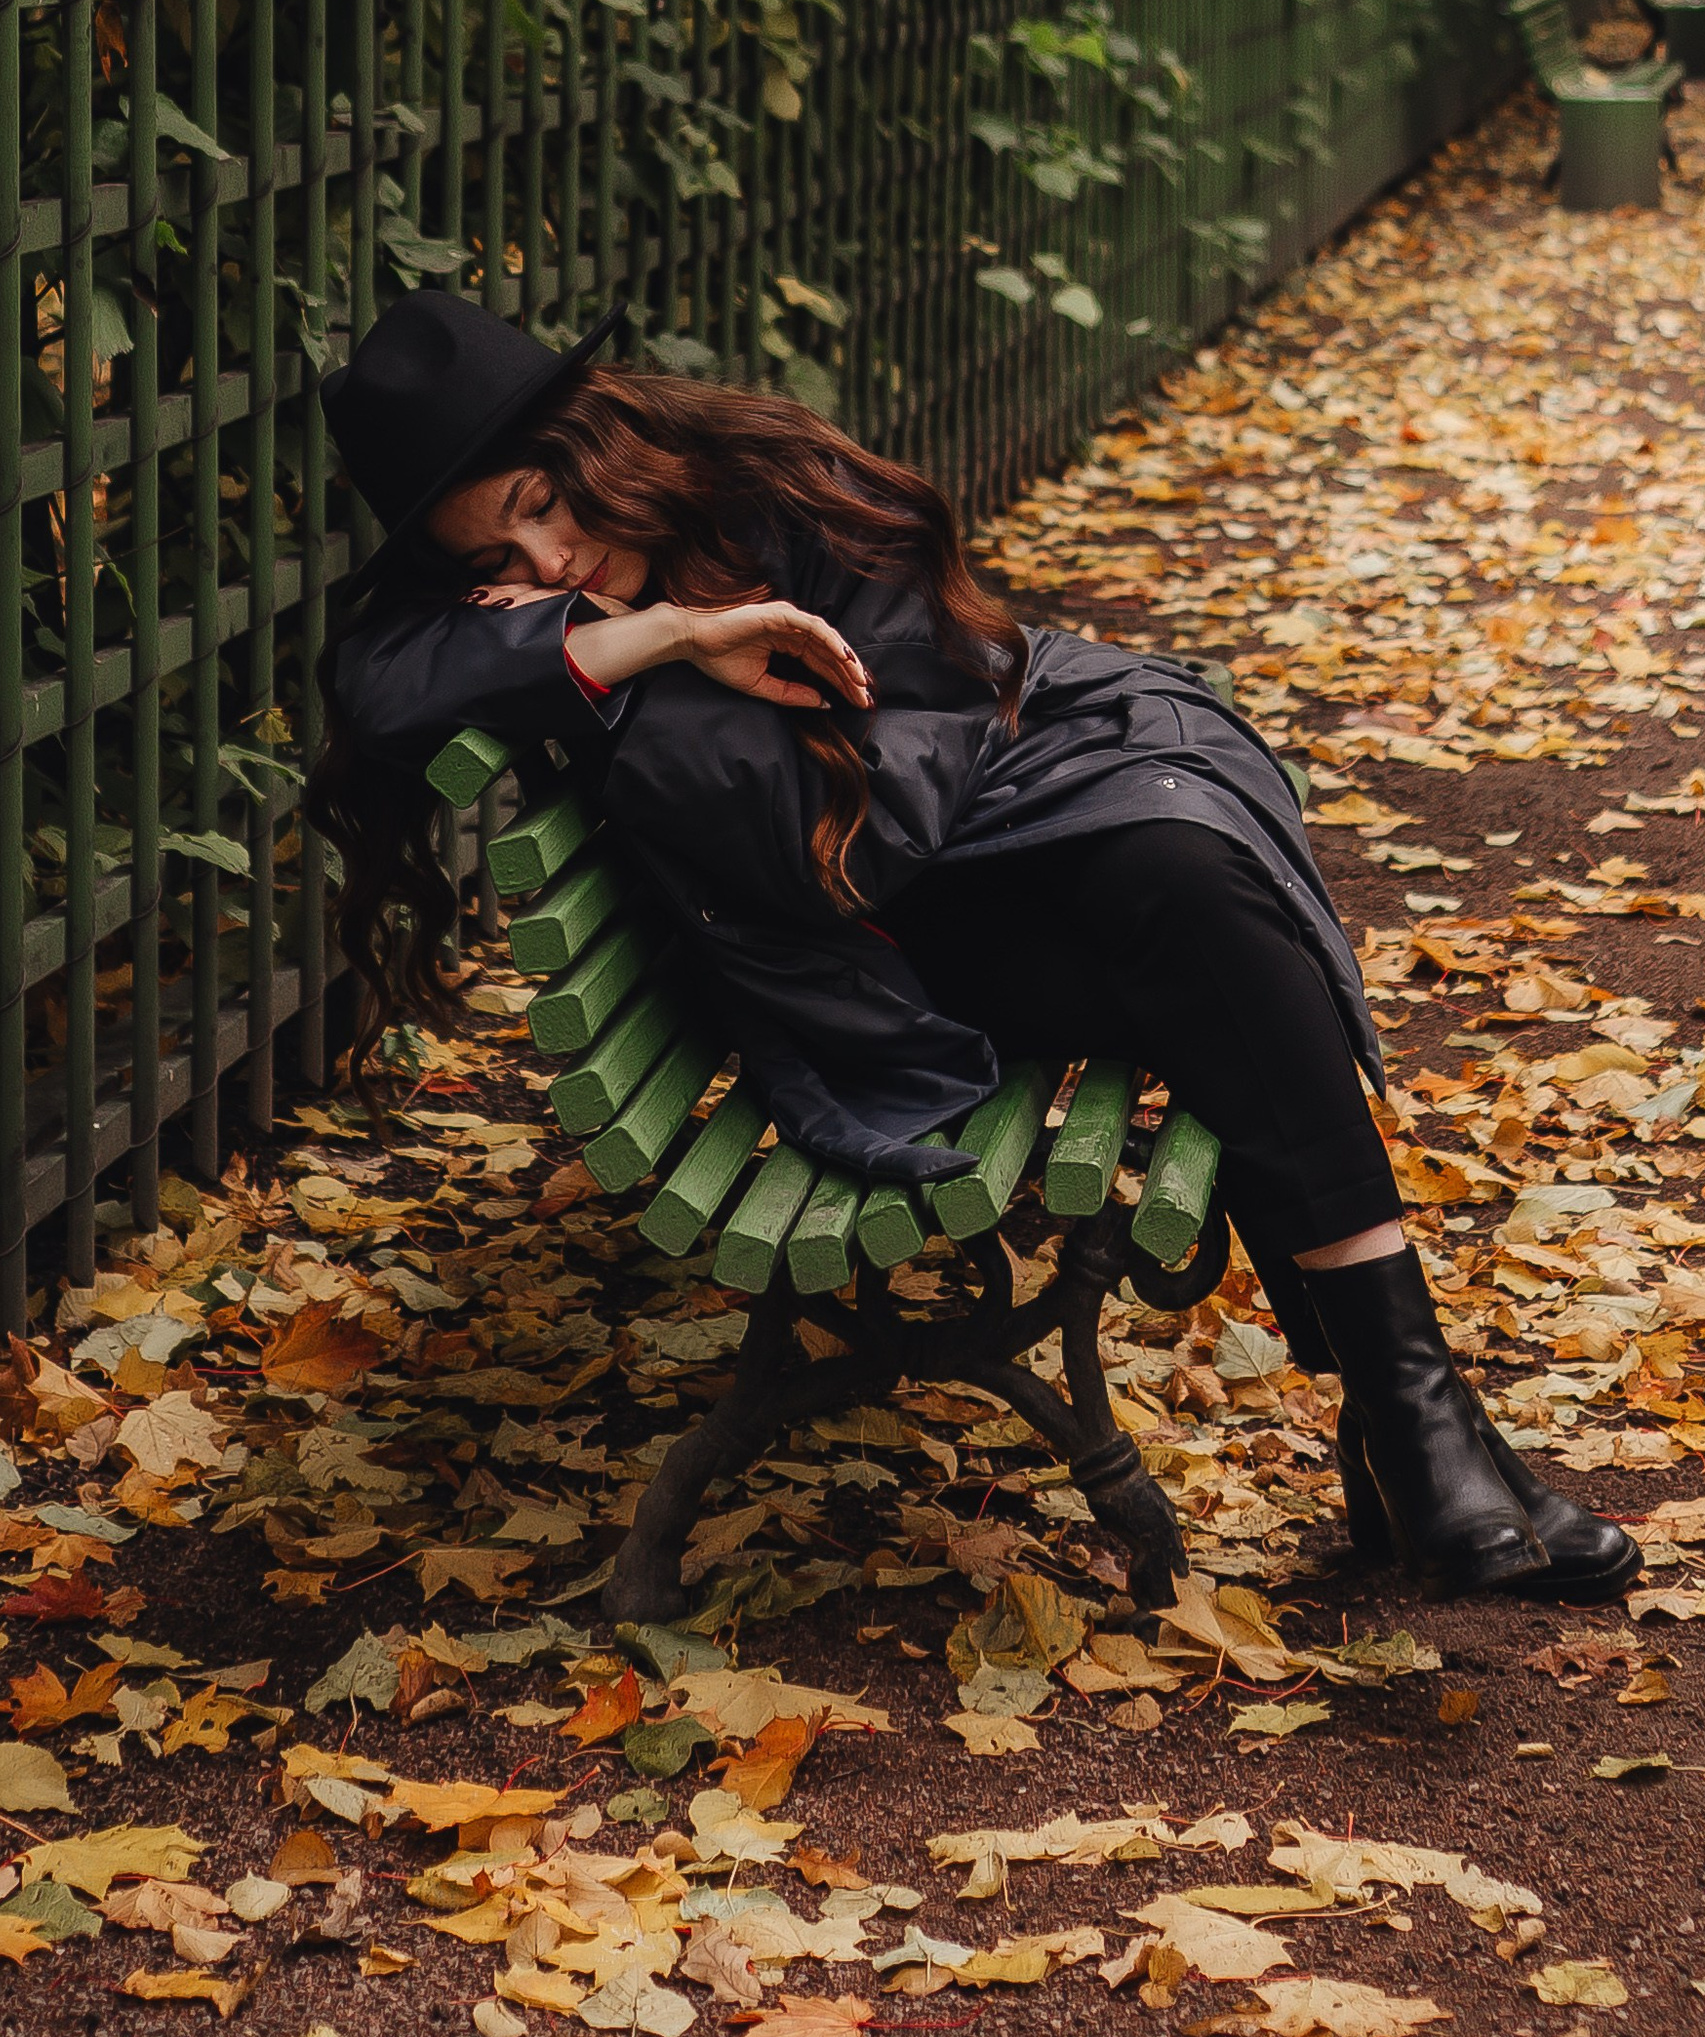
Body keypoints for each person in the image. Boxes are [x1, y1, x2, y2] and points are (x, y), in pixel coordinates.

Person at [306, 290, 1637, 1605]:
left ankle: (1410, 1416)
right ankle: (1419, 1425)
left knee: (1195, 891)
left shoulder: (779, 487)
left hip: (966, 846)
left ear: (600, 441)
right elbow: (376, 687)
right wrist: (668, 640)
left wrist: (650, 657)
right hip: (885, 964)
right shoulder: (592, 629)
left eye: (545, 505)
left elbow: (909, 784)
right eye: (503, 554)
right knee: (1215, 947)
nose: (549, 567)